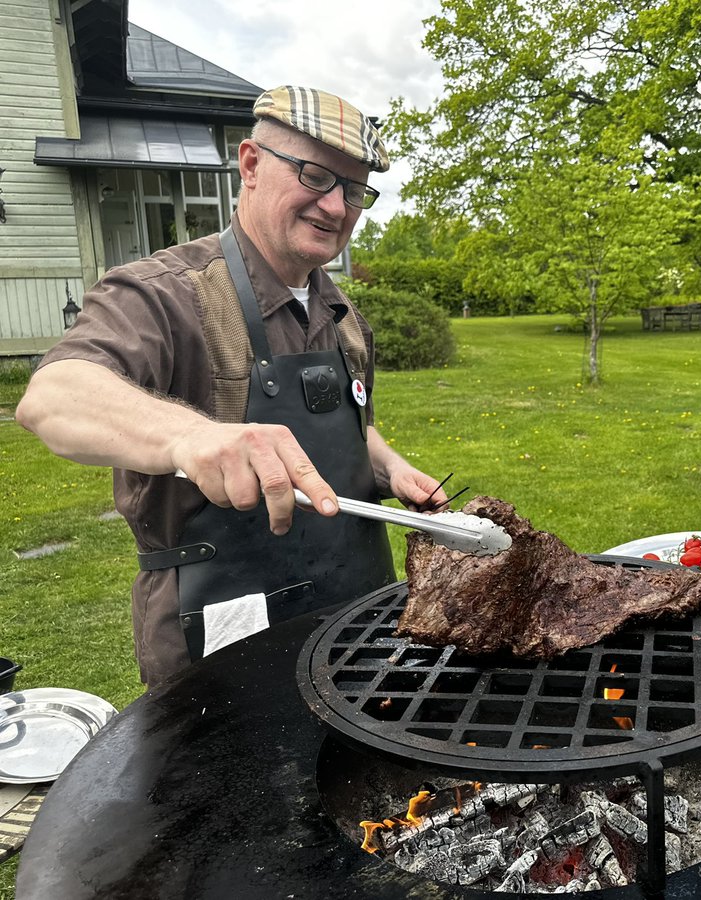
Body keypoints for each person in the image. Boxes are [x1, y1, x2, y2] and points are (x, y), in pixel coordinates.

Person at [16, 85, 447, 689]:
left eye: (354, 192)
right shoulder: (162, 293)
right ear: (250, 164)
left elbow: (354, 428)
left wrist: (391, 468)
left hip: (355, 612)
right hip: (227, 625)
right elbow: (54, 396)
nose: (335, 207)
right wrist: (191, 436)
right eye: (316, 176)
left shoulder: (342, 313)